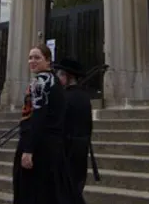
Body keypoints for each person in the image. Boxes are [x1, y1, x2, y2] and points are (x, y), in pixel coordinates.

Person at [12, 44, 85, 204]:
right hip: (51, 145)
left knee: (32, 193)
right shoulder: (54, 81)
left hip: (39, 146)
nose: (32, 61)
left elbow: (38, 115)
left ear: (48, 61)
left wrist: (29, 149)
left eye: (37, 57)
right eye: (30, 57)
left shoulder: (41, 82)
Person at [54, 58, 95, 196]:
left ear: (68, 76)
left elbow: (59, 125)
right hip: (81, 149)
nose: (57, 78)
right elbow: (89, 125)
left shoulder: (63, 97)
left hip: (66, 150)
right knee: (76, 189)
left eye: (59, 74)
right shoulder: (85, 97)